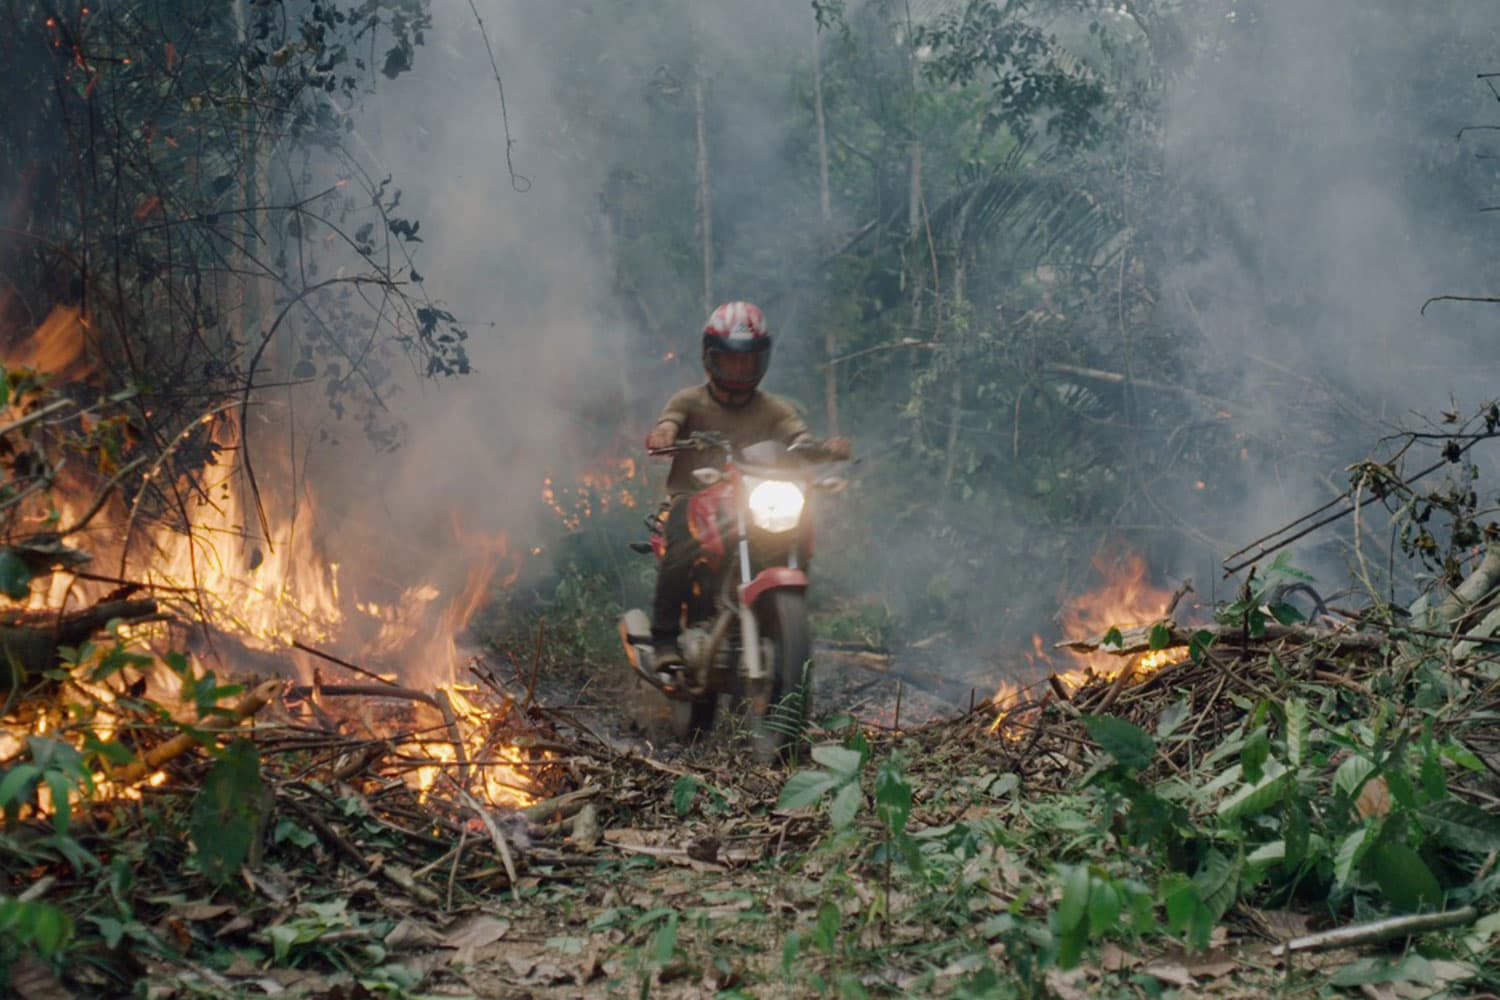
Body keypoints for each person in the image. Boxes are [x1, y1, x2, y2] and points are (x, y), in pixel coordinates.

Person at [645, 301, 850, 669]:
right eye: (731, 359)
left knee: (797, 532)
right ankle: (663, 640)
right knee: (681, 546)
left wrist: (824, 448)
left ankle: (779, 626)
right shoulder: (690, 400)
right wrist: (664, 433)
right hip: (695, 496)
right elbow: (670, 421)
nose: (740, 368)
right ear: (711, 358)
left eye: (747, 360)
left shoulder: (773, 408)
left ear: (761, 360)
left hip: (750, 497)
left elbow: (797, 436)